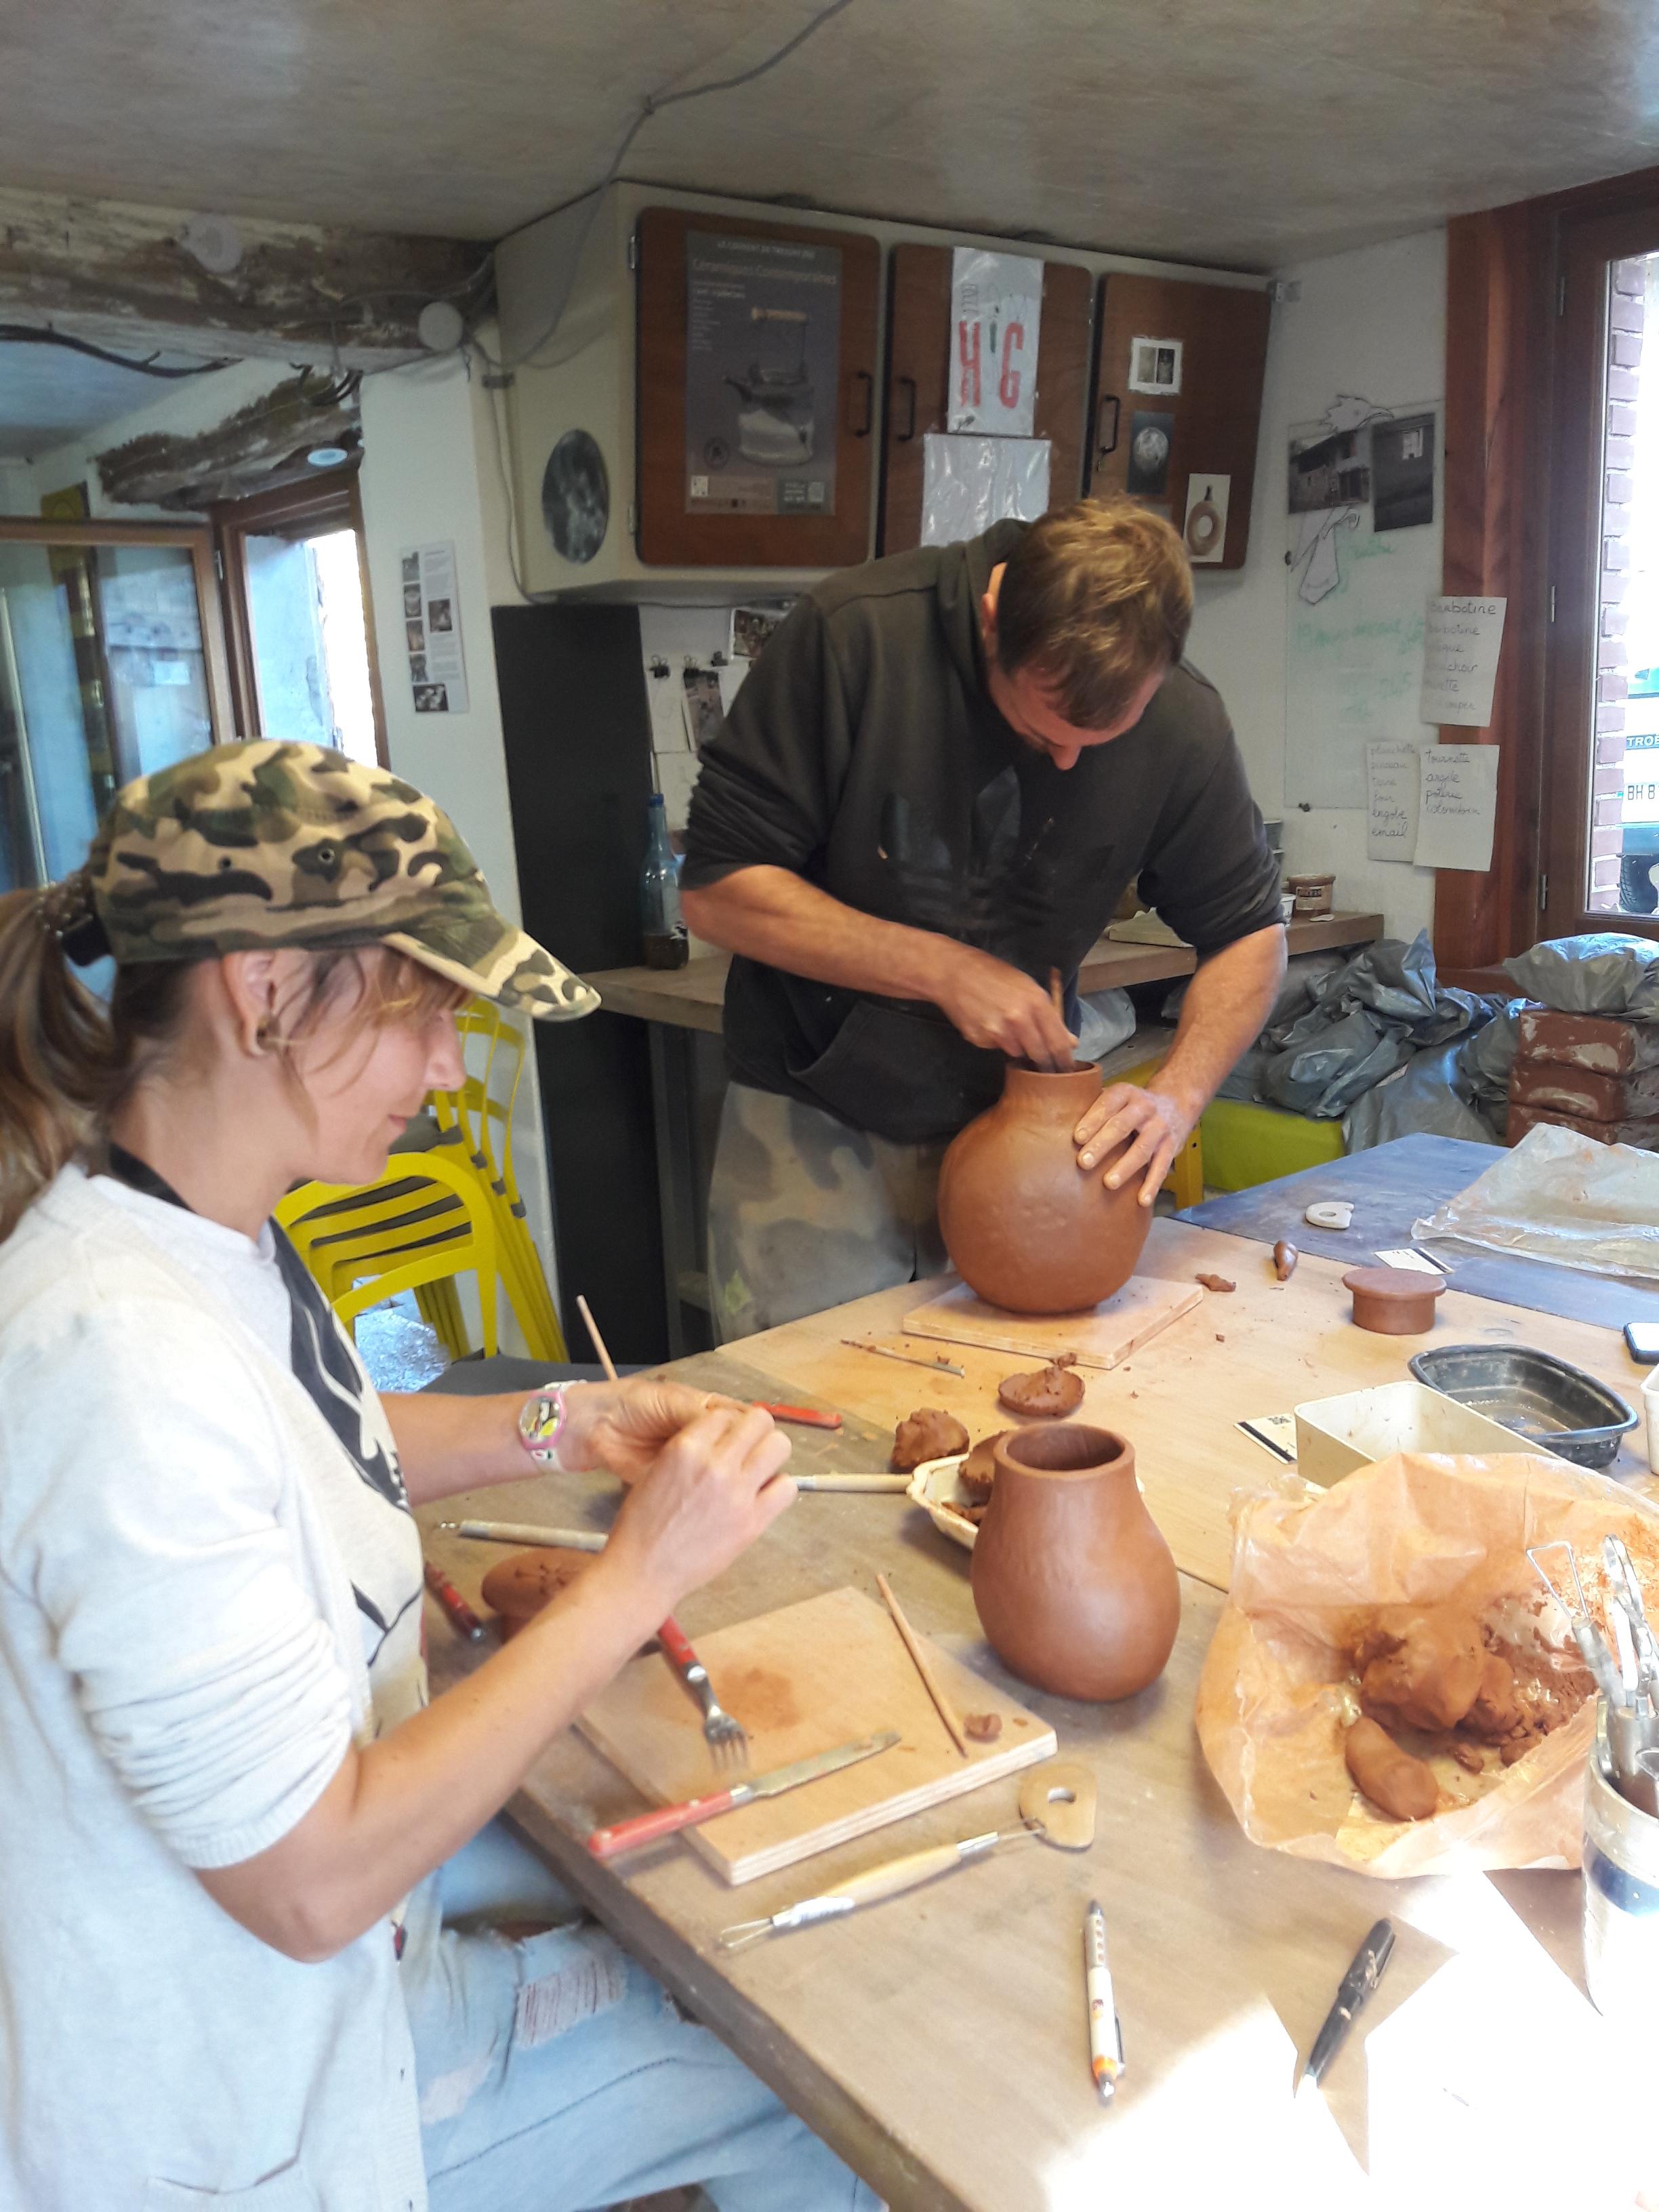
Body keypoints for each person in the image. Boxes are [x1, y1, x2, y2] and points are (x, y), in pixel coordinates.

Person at [0, 741, 876, 2211]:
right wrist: (637, 1577)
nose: (445, 1066)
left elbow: (302, 1443)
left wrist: (561, 1424)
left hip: (342, 1972)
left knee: (735, 1895)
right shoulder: (114, 1364)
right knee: (807, 2071)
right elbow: (313, 1882)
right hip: (243, 2111)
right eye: (418, 1013)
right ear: (262, 989)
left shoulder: (186, 1224)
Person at [681, 498, 1288, 1340]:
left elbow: (1251, 934)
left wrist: (1177, 1099)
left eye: (1101, 739)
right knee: (800, 1395)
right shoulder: (855, 638)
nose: (1069, 761)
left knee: (1005, 1397)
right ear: (993, 617)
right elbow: (716, 890)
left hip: (1019, 1125)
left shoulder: (1184, 720)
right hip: (816, 1102)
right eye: (1043, 732)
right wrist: (942, 968)